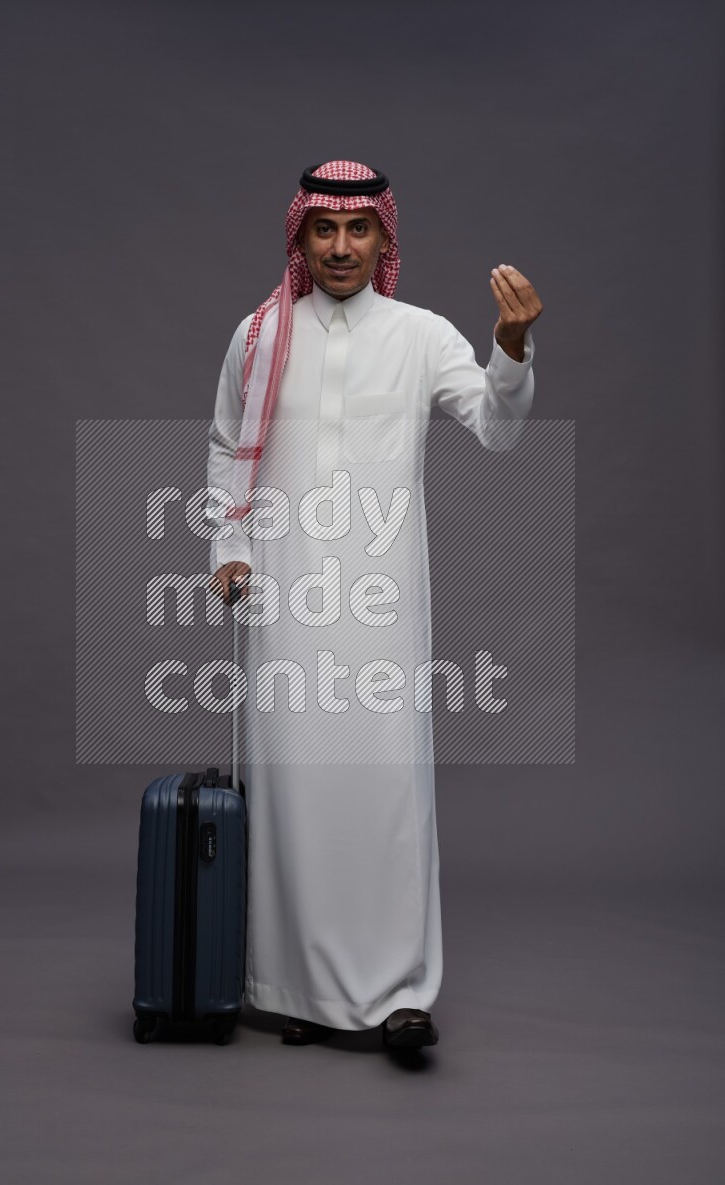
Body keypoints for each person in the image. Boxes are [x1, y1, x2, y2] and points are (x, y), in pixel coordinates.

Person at [206, 161, 543, 1051]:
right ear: (301, 238)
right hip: (285, 595)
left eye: (361, 231)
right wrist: (231, 549)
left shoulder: (423, 335)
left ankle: (400, 993)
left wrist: (510, 348)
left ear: (386, 241)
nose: (343, 247)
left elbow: (498, 429)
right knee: (292, 793)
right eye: (326, 230)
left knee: (385, 792)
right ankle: (286, 988)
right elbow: (223, 443)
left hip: (386, 599)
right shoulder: (259, 335)